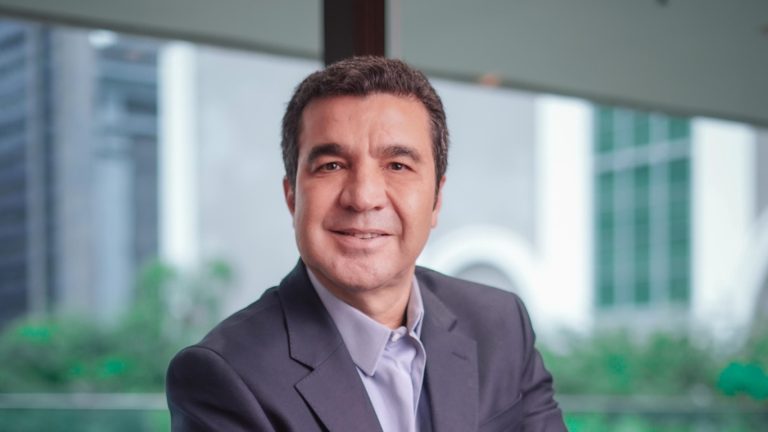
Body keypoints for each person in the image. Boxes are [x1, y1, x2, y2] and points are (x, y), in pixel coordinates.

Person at [166, 56, 567, 432]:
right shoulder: (224, 376)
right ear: (292, 197)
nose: (362, 197)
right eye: (332, 166)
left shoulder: (500, 325)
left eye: (397, 166)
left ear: (436, 200)